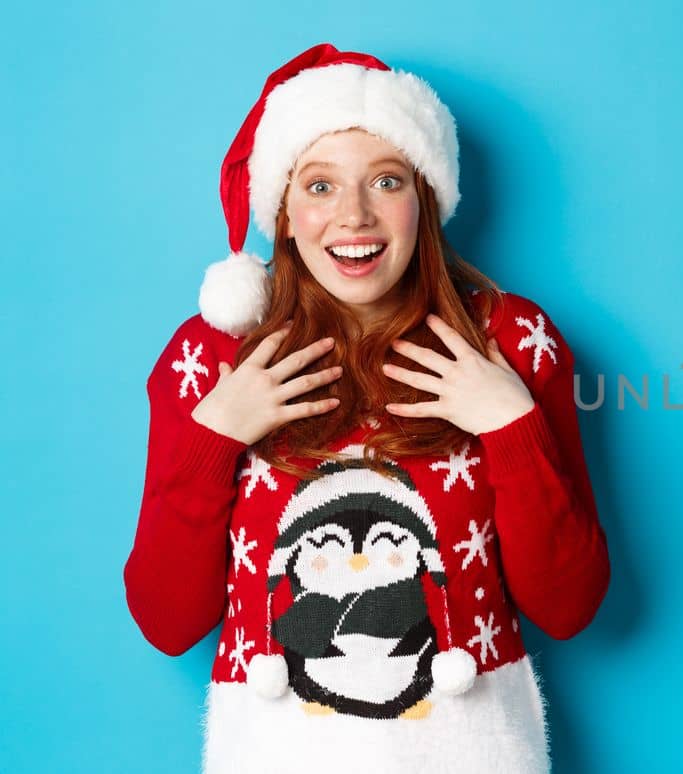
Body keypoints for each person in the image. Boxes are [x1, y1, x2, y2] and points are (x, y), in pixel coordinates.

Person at [122, 43, 610, 773]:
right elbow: (167, 622)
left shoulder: (510, 340)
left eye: (385, 181)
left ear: (426, 201)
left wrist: (511, 425)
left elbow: (569, 608)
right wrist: (215, 437)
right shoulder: (215, 356)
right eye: (319, 187)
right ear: (283, 214)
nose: (353, 215)